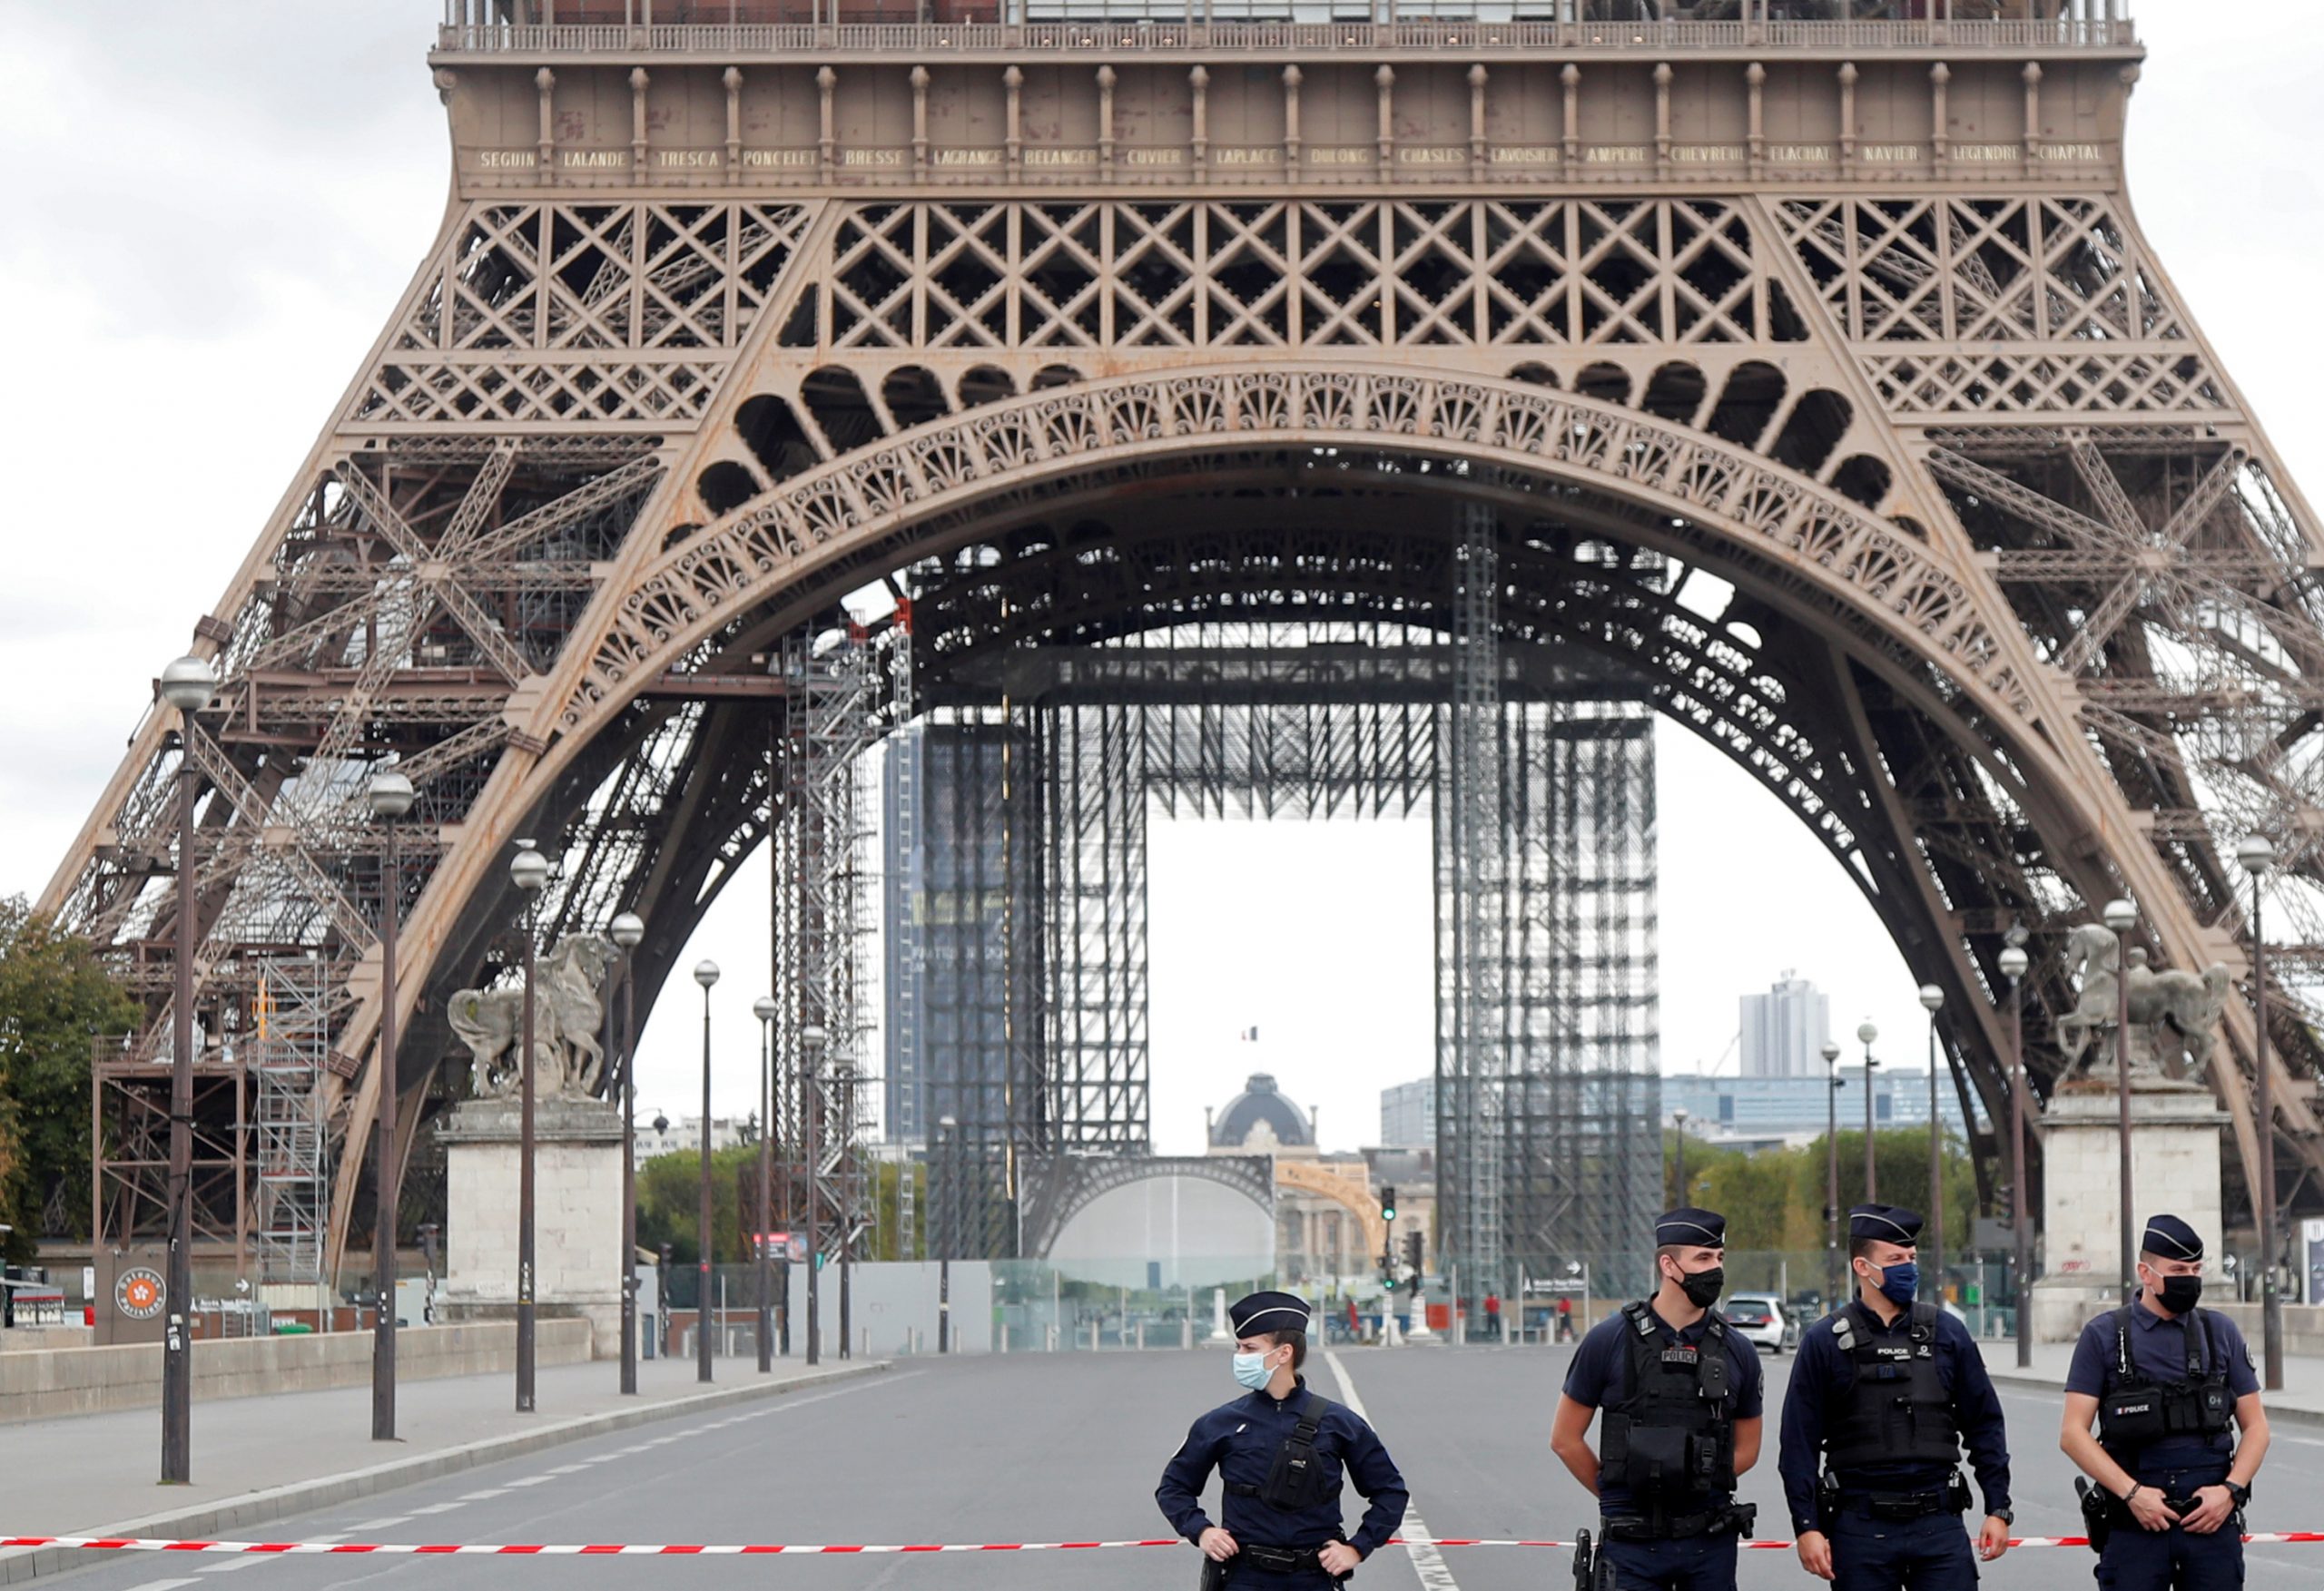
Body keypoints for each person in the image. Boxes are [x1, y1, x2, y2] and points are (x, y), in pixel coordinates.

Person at [1779, 1204, 2013, 1591]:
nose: (1908, 1267)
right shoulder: (1825, 1342)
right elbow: (1797, 1444)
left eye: (1911, 1258)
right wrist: (1807, 1527)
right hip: (1861, 1527)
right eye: (1895, 1259)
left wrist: (1998, 1507)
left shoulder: (1947, 1334)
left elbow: (1984, 1424)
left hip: (1938, 1524)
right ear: (1863, 1267)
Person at [1550, 1207, 1765, 1591]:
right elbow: (1565, 1438)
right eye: (1702, 1258)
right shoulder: (1608, 1340)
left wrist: (1692, 1483)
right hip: (1632, 1546)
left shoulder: (1738, 1350)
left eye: (1719, 1258)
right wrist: (1622, 1490)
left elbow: (1749, 1448)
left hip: (1708, 1544)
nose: (1715, 1269)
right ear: (1668, 1264)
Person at [2060, 1213, 2270, 1591]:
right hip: (2135, 1524)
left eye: (2196, 1268)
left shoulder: (2219, 1331)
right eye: (2177, 1269)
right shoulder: (2105, 1335)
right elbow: (2073, 1434)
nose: (2189, 1278)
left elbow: (2256, 1428)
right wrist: (2132, 1494)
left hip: (2210, 1521)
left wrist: (2231, 1491)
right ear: (2146, 1272)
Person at [1157, 1291, 1409, 1586]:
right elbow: (1173, 1487)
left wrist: (1357, 1548)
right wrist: (1201, 1531)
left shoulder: (1340, 1423)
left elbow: (1390, 1491)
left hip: (1314, 1579)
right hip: (1244, 1578)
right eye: (1238, 1348)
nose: (1240, 1358)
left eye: (1250, 1348)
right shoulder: (1219, 1423)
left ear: (1284, 1353)